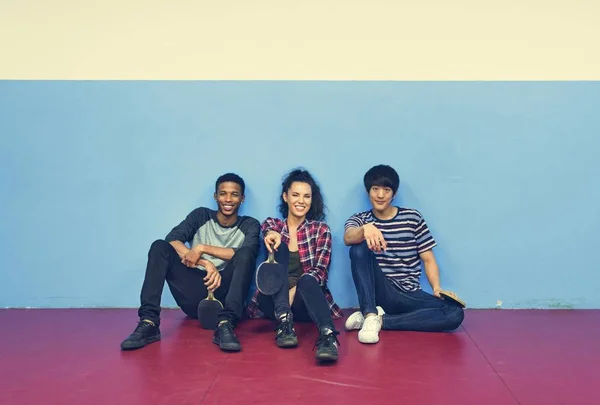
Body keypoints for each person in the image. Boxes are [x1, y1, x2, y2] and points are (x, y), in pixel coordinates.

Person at [120, 173, 260, 352]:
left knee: (245, 253)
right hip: (195, 290)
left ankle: (226, 324)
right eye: (223, 193)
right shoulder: (200, 216)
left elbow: (246, 254)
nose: (228, 199)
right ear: (215, 196)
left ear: (242, 198)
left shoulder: (250, 224)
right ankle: (149, 323)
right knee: (159, 247)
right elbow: (172, 240)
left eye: (234, 194)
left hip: (226, 295)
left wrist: (202, 248)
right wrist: (205, 264)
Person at [343, 164, 464, 344]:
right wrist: (365, 230)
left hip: (409, 294)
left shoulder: (412, 218)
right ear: (368, 191)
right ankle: (369, 313)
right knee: (358, 247)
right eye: (375, 189)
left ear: (395, 192)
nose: (380, 195)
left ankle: (380, 320)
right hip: (380, 289)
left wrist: (437, 288)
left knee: (454, 313)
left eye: (386, 189)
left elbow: (428, 259)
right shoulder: (360, 219)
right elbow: (348, 237)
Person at [246, 169, 343, 362]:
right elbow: (267, 228)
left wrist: (293, 290)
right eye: (295, 195)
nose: (301, 201)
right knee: (279, 246)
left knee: (309, 278)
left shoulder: (320, 230)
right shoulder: (274, 225)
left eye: (306, 196)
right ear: (285, 197)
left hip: (304, 301)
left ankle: (328, 336)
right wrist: (271, 235)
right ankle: (284, 320)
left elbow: (320, 274)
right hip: (273, 300)